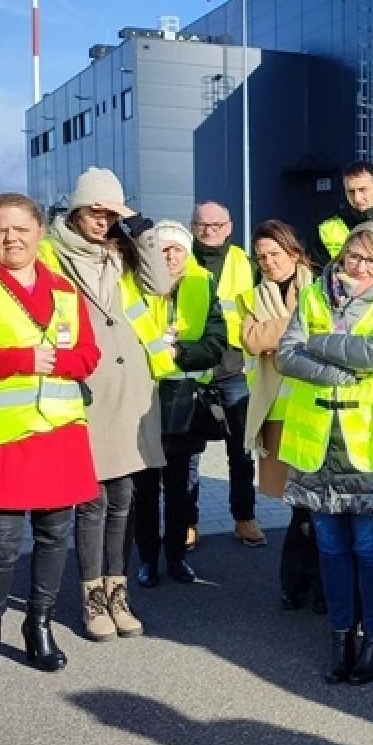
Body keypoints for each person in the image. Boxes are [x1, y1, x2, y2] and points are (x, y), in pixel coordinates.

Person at [0, 193, 100, 689]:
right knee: (1, 546)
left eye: (20, 228)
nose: (10, 238)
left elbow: (88, 355)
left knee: (55, 536)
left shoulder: (65, 292)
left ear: (40, 232)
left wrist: (59, 363)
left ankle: (39, 624)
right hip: (3, 439)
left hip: (59, 436)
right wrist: (23, 359)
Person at [277, 222, 373, 686]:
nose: (358, 266)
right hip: (318, 447)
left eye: (372, 260)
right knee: (331, 549)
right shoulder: (314, 295)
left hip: (370, 448)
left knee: (370, 548)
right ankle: (341, 636)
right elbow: (284, 355)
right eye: (353, 256)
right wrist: (337, 373)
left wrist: (317, 343)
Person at [41, 167, 173, 643]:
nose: (102, 221)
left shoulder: (123, 249)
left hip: (131, 386)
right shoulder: (51, 252)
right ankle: (92, 594)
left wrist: (142, 230)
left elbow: (160, 285)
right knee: (92, 500)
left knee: (124, 498)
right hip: (85, 387)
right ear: (76, 209)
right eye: (95, 211)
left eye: (110, 213)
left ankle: (119, 591)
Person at [131, 220, 231, 588]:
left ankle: (175, 556)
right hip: (144, 402)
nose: (171, 256)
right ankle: (146, 559)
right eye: (163, 250)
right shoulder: (134, 286)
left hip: (187, 403)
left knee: (179, 491)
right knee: (144, 490)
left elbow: (216, 344)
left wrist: (179, 352)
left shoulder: (203, 284)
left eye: (178, 250)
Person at [239, 219, 324, 613]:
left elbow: (319, 334)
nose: (268, 262)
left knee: (316, 506)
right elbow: (251, 339)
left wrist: (276, 334)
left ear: (293, 252)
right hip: (275, 415)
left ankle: (305, 584)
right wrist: (294, 328)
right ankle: (301, 585)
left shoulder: (321, 287)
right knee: (298, 504)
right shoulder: (254, 295)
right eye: (261, 257)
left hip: (315, 413)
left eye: (274, 254)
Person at [190, 200, 262, 548]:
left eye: (217, 225)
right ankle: (188, 523)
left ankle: (244, 518)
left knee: (241, 451)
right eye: (203, 224)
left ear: (229, 227)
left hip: (233, 368)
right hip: (190, 369)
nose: (210, 231)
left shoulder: (244, 263)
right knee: (189, 453)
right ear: (193, 226)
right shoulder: (180, 259)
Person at [313, 161, 373, 264]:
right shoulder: (327, 229)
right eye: (351, 191)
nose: (357, 198)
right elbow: (319, 274)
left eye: (362, 190)